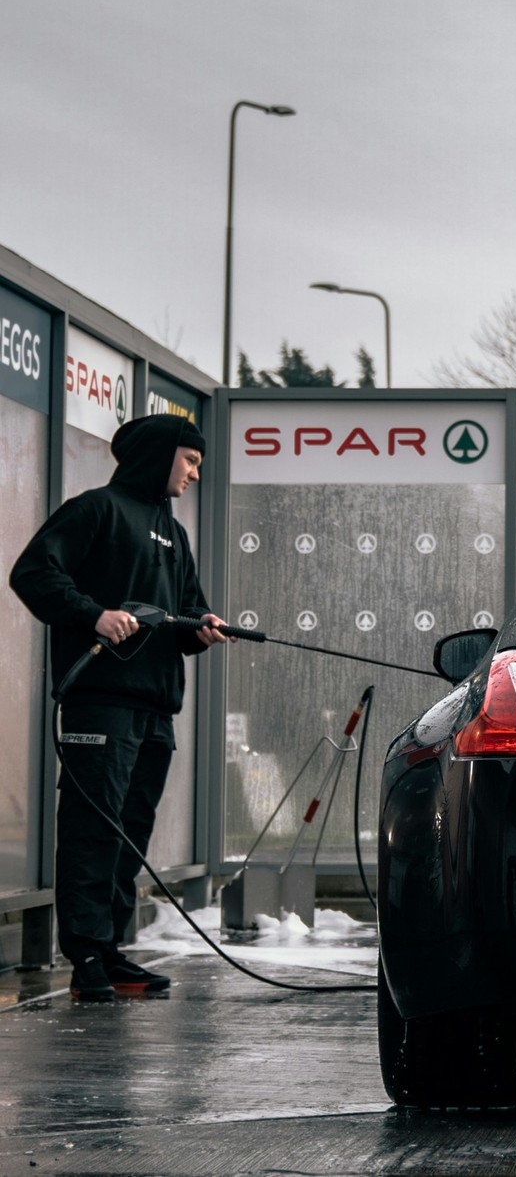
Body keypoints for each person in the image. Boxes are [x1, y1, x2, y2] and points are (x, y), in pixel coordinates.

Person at [10, 413, 228, 1002]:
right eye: (189, 461)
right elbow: (31, 573)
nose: (194, 473)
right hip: (99, 703)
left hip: (155, 707)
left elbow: (186, 610)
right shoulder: (95, 510)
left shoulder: (172, 532)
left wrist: (201, 627)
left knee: (130, 834)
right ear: (159, 456)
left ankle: (109, 949)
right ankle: (83, 956)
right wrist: (92, 614)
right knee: (92, 830)